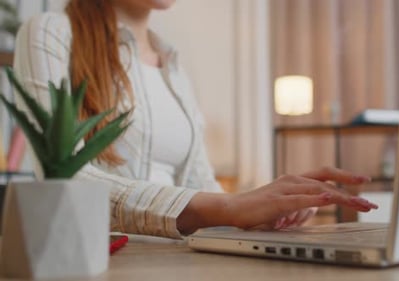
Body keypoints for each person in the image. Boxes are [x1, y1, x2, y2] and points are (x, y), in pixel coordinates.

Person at [13, 0, 378, 239]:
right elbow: (65, 181)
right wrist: (229, 208)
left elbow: (200, 186)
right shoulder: (50, 32)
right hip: (100, 263)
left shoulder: (173, 66)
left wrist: (266, 206)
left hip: (180, 260)